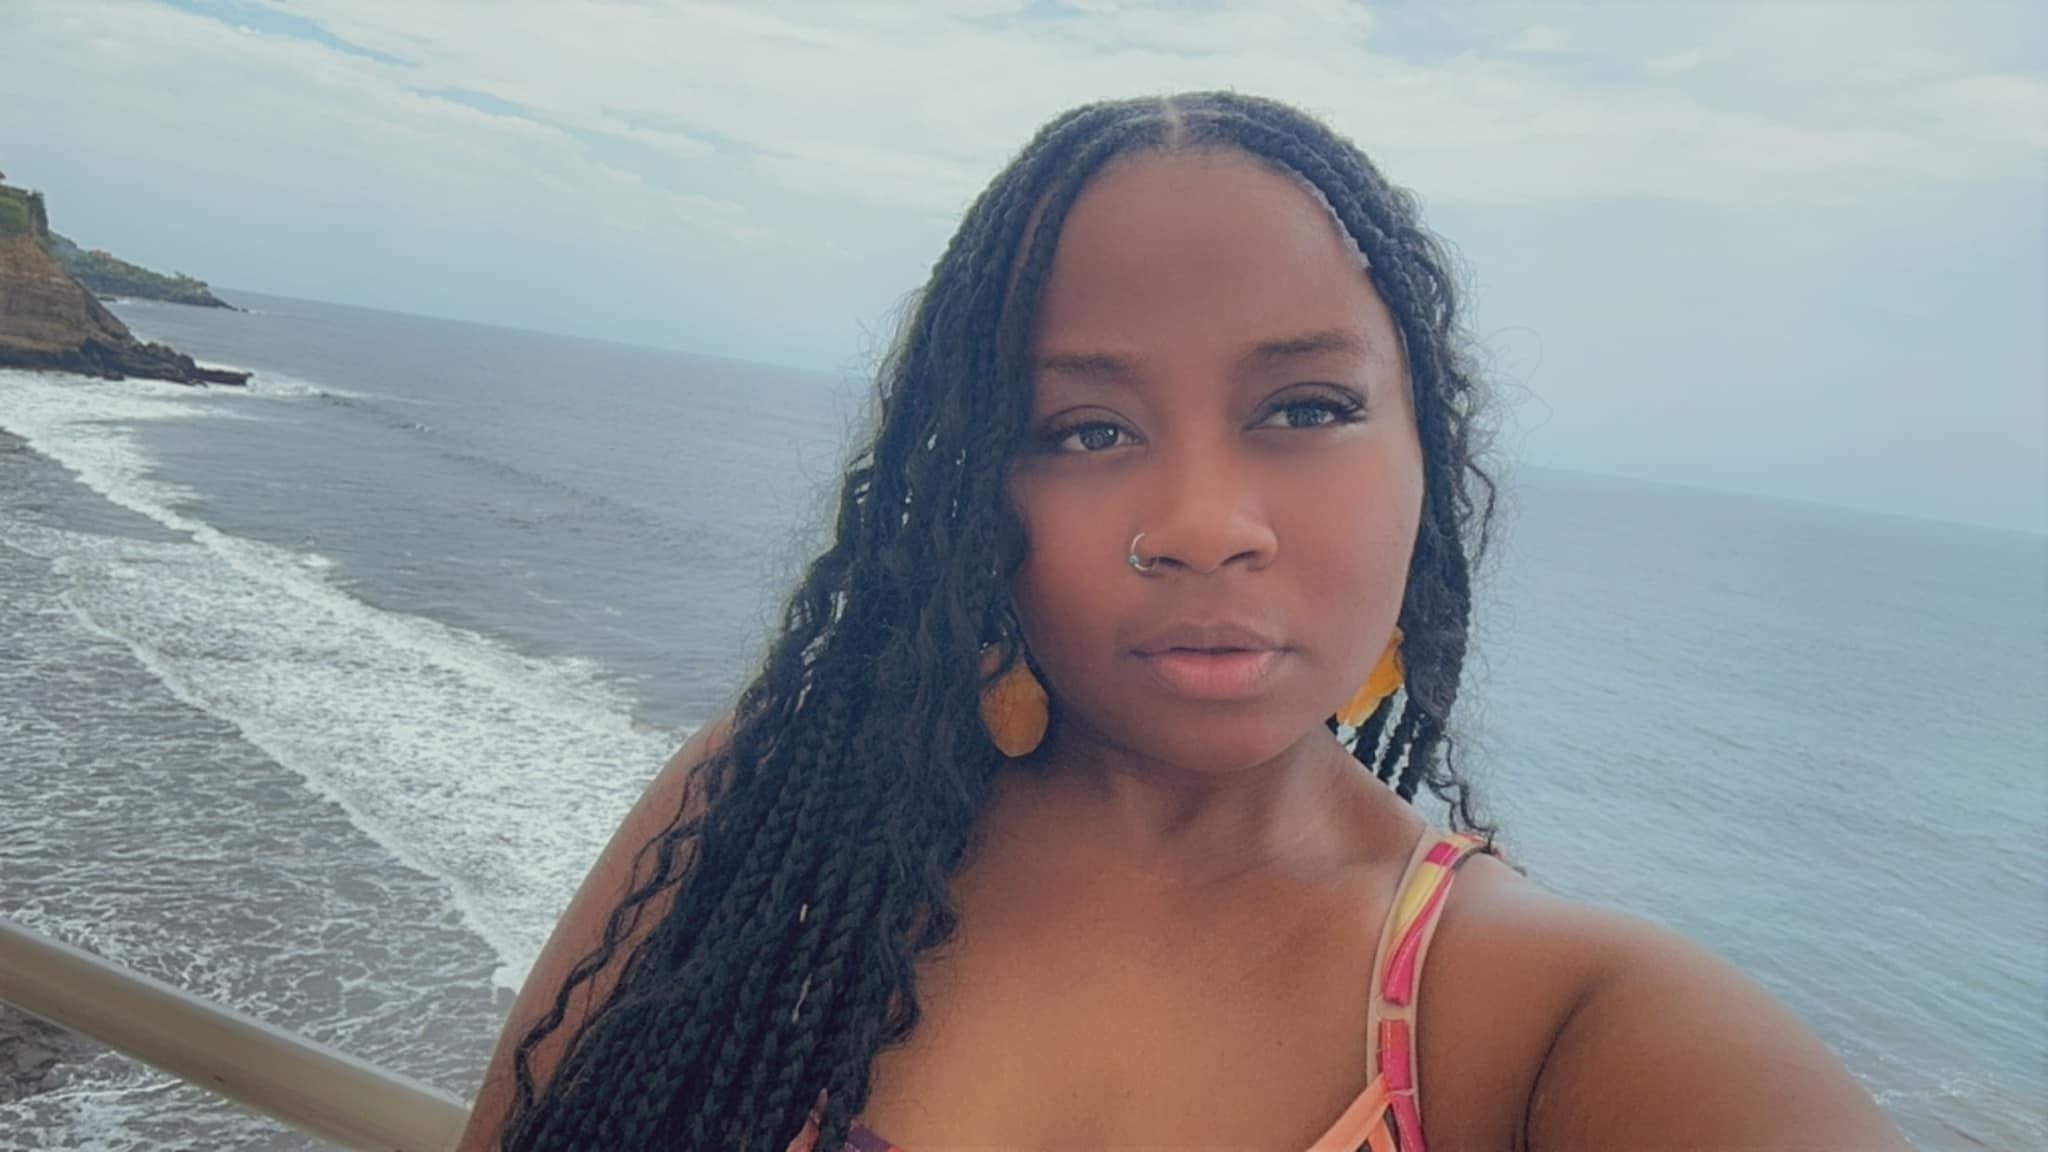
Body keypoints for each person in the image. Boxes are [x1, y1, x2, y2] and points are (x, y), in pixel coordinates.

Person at [458, 92, 1905, 1152]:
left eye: (1307, 408)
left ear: (1429, 463)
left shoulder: (1545, 1020)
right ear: (975, 491)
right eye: (1085, 428)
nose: (1205, 524)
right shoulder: (773, 818)